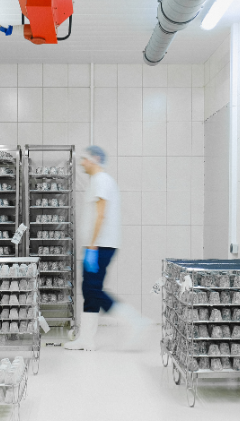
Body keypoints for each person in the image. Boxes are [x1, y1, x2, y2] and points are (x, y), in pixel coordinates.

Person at [64, 145, 146, 351]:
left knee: (93, 289)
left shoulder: (101, 180)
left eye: (84, 159)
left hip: (100, 245)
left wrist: (92, 247)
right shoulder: (97, 181)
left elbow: (101, 214)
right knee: (89, 290)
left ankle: (134, 321)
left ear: (95, 159)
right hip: (97, 245)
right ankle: (86, 339)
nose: (82, 163)